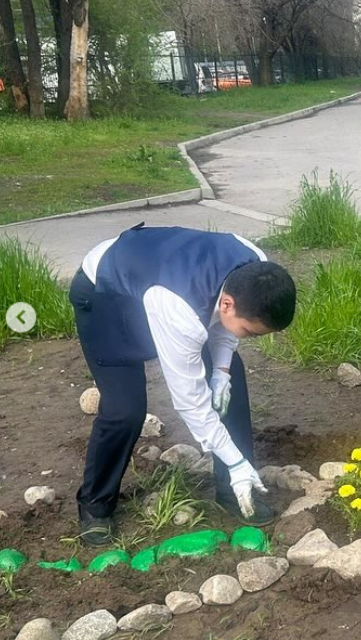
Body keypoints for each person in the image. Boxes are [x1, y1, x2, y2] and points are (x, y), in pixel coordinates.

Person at [68, 224, 297, 545]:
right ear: (229, 305)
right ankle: (95, 505)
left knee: (233, 381)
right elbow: (192, 403)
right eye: (252, 333)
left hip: (161, 285)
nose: (253, 339)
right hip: (108, 296)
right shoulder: (180, 312)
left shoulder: (256, 266)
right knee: (125, 409)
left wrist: (221, 370)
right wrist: (236, 460)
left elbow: (227, 327)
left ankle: (233, 488)